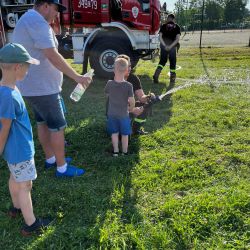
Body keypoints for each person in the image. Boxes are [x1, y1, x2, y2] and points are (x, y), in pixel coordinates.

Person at [13, 0, 91, 177]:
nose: (57, 14)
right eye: (56, 10)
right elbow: (52, 55)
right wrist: (77, 77)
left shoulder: (30, 19)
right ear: (45, 5)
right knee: (57, 127)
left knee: (43, 123)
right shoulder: (36, 22)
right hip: (42, 88)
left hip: (35, 86)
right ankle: (61, 168)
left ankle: (51, 159)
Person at [0, 43, 51, 236]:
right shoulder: (8, 95)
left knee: (15, 177)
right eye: (27, 66)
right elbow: (4, 126)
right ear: (17, 67)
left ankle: (16, 208)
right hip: (19, 150)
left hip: (13, 152)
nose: (28, 70)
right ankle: (31, 224)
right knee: (25, 185)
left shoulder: (6, 88)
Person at [116, 54, 159, 135]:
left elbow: (141, 97)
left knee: (145, 104)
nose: (129, 69)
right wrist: (132, 110)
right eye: (126, 66)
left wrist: (149, 97)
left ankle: (135, 129)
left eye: (130, 66)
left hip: (128, 106)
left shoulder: (133, 78)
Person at [105, 58, 135, 156]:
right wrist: (131, 108)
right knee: (125, 134)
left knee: (114, 133)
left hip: (112, 114)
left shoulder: (109, 83)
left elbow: (107, 95)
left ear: (114, 70)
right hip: (123, 115)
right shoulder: (129, 85)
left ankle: (116, 151)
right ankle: (125, 152)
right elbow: (131, 100)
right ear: (126, 71)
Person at [153, 13, 181, 84]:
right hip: (172, 47)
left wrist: (165, 45)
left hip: (163, 46)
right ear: (173, 19)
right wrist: (171, 46)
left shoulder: (163, 26)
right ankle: (172, 79)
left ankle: (156, 74)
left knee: (162, 61)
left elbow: (160, 37)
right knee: (173, 62)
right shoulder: (177, 26)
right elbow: (177, 39)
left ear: (168, 18)